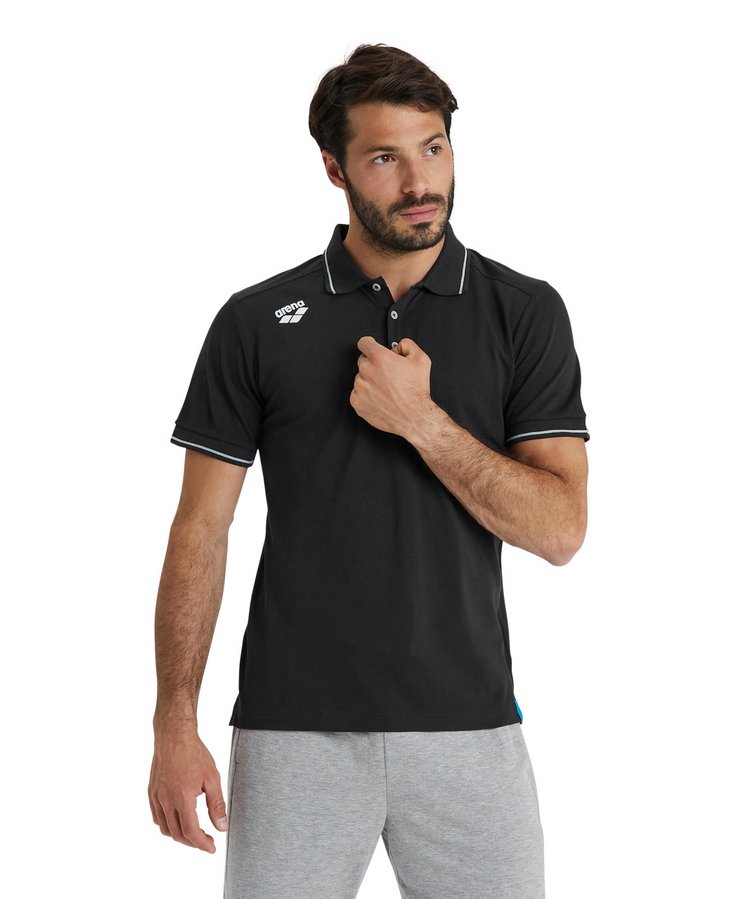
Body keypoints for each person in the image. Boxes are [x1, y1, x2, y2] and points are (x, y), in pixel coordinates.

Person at [148, 42, 590, 899]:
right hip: (293, 732)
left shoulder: (524, 312)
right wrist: (174, 720)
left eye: (434, 148)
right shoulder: (255, 322)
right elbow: (200, 527)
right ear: (334, 168)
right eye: (385, 158)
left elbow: (561, 529)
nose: (420, 182)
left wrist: (423, 422)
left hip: (471, 728)